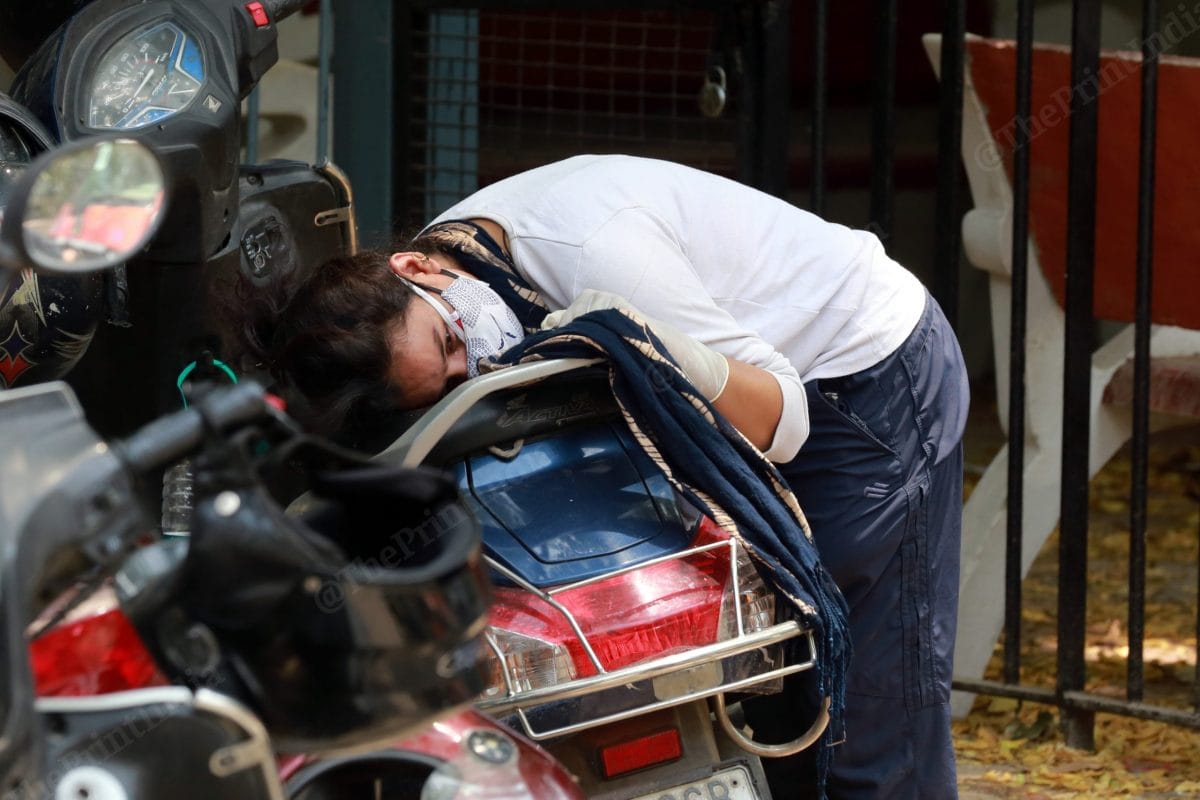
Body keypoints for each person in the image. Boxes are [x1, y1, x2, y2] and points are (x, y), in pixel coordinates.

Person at [258, 154, 969, 799]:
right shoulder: (451, 264)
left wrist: (666, 354)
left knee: (868, 715)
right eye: (446, 382)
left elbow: (782, 420)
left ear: (409, 268)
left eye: (449, 342)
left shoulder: (596, 251)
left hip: (858, 374)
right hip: (748, 410)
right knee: (771, 694)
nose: (468, 363)